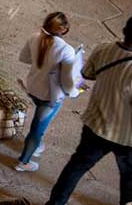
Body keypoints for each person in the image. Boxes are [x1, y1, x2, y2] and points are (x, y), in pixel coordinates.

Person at [45, 16, 132, 205]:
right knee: (129, 177)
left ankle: (55, 203)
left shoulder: (104, 49)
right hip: (127, 137)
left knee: (76, 166)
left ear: (125, 31)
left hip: (96, 125)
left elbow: (86, 74)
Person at [15, 12, 75, 172]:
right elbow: (68, 82)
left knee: (38, 119)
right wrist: (75, 91)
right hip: (50, 97)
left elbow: (24, 58)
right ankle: (24, 162)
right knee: (37, 129)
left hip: (33, 88)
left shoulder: (34, 37)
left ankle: (37, 145)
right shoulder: (67, 50)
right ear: (64, 29)